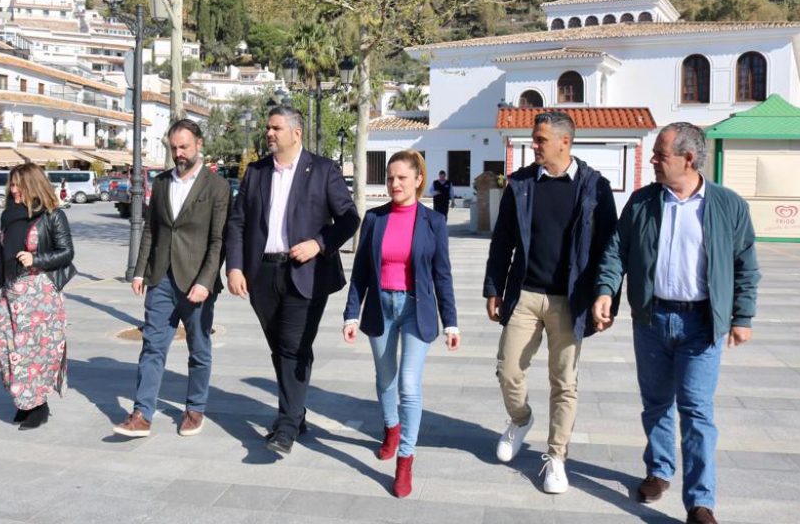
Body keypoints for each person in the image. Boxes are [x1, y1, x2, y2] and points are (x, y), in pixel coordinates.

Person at [592, 123, 760, 524]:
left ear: (688, 158)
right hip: (652, 318)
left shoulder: (727, 205)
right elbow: (617, 251)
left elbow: (746, 265)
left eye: (660, 154)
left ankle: (700, 502)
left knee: (697, 411)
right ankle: (659, 470)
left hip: (702, 323)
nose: (652, 160)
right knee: (656, 404)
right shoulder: (643, 202)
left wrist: (742, 315)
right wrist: (605, 291)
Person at [483, 111, 617, 493]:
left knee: (564, 382)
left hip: (570, 301)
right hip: (525, 294)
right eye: (534, 139)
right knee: (507, 369)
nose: (534, 146)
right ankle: (521, 418)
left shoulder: (595, 188)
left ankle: (556, 457)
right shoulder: (521, 184)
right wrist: (494, 286)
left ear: (565, 142)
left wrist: (605, 298)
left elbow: (611, 249)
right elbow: (502, 239)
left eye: (540, 139)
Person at [225, 105, 360, 455]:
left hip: (307, 275)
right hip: (262, 274)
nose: (269, 133)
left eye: (276, 128)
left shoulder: (324, 170)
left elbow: (349, 219)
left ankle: (285, 427)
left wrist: (319, 244)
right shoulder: (256, 173)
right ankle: (297, 414)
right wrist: (235, 267)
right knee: (281, 348)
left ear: (296, 133)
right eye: (267, 127)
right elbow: (238, 222)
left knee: (292, 347)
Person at [342, 150, 459, 498]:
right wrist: (351, 313)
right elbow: (361, 271)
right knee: (385, 378)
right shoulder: (375, 218)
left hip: (415, 308)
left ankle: (405, 458)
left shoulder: (433, 222)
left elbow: (442, 275)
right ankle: (391, 427)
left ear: (418, 179)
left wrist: (451, 322)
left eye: (402, 178)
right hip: (381, 307)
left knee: (409, 383)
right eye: (390, 178)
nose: (394, 183)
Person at [114, 119, 230, 438]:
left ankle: (195, 409)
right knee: (153, 345)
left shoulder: (217, 187)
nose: (178, 153)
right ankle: (142, 413)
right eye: (174, 147)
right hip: (161, 278)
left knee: (199, 347)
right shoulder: (163, 182)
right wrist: (140, 270)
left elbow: (218, 240)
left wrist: (206, 281)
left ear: (199, 144)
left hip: (197, 282)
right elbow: (151, 229)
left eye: (184, 147)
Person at [0, 163, 75, 430]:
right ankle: (25, 400)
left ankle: (37, 405)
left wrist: (36, 258)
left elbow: (67, 251)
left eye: (19, 185)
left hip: (40, 293)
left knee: (34, 353)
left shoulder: (52, 215)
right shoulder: (8, 216)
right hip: (11, 292)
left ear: (32, 186)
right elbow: (1, 257)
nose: (14, 191)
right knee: (4, 347)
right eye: (11, 185)